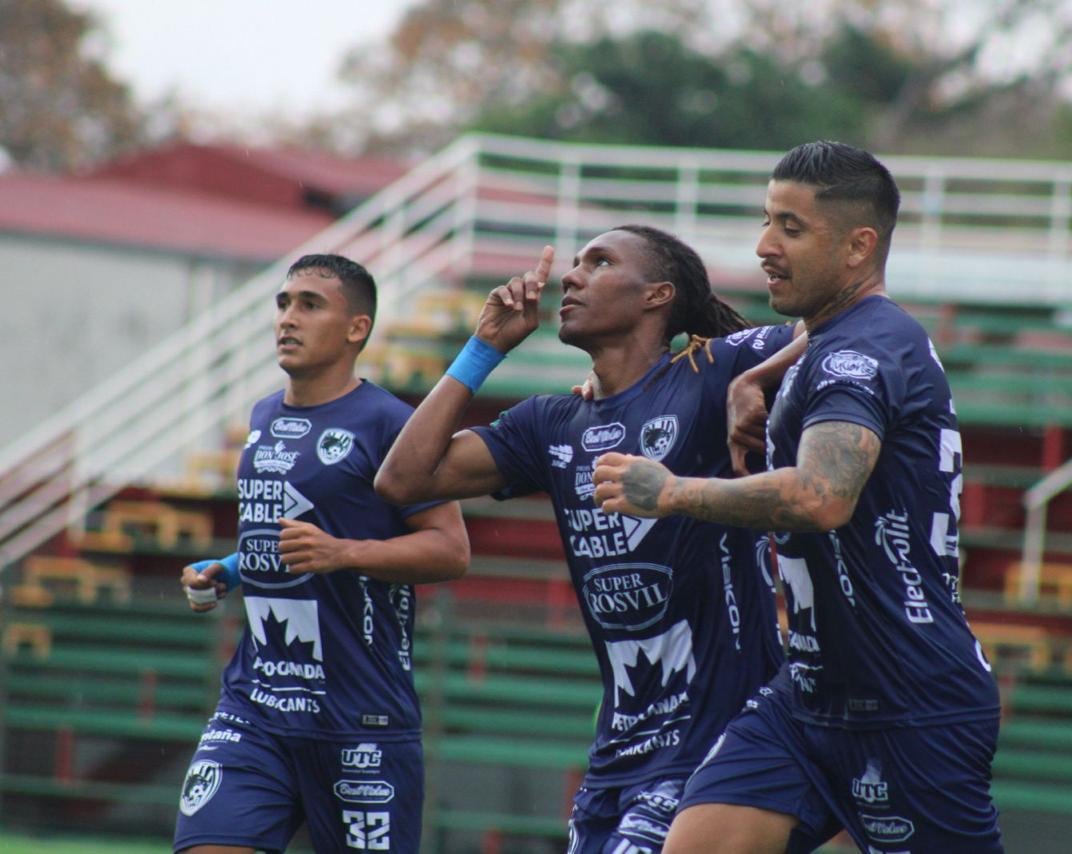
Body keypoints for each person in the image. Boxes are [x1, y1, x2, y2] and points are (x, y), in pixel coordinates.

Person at [591, 142, 1004, 853]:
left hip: (908, 699)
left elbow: (820, 497)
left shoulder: (859, 354)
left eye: (790, 228)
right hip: (806, 698)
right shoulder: (848, 334)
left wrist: (673, 492)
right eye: (765, 221)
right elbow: (823, 338)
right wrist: (752, 379)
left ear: (857, 247)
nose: (764, 246)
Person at [374, 225, 800, 853]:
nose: (571, 277)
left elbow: (851, 328)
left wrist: (752, 377)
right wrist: (484, 348)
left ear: (657, 295)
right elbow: (402, 479)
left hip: (718, 740)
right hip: (617, 753)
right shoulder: (548, 422)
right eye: (574, 264)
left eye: (598, 263)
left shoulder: (711, 369)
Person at [174, 254, 470, 854]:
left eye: (310, 305)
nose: (288, 318)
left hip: (360, 719)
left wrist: (345, 553)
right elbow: (286, 533)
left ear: (356, 328)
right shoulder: (261, 416)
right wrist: (227, 570)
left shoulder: (390, 423)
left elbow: (451, 549)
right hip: (255, 709)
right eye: (283, 303)